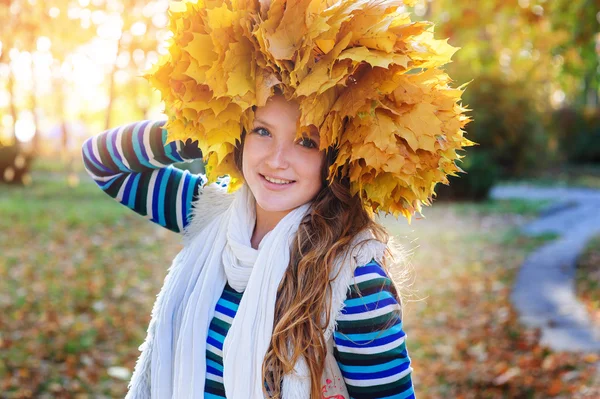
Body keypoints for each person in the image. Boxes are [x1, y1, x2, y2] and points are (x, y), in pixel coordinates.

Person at [82, 1, 473, 397]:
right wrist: (199, 127)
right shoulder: (206, 214)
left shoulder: (355, 281)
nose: (276, 159)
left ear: (334, 159)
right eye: (262, 131)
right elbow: (101, 162)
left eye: (305, 141)